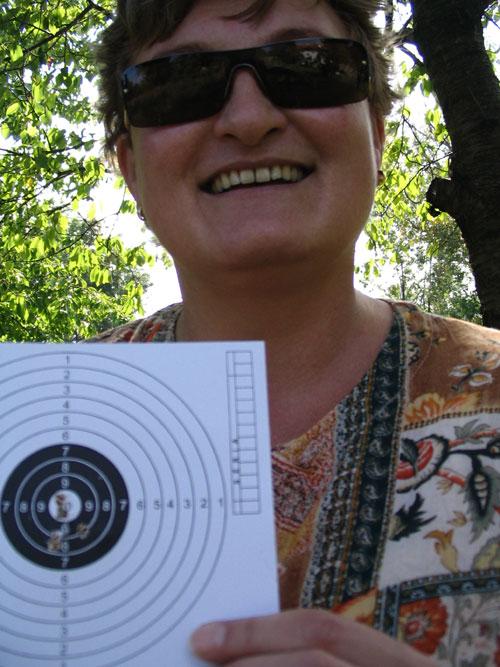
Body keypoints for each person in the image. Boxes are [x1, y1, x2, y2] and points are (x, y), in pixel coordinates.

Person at [93, 0, 500, 664]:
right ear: (131, 166)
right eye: (181, 80)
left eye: (307, 64)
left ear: (375, 134)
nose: (250, 119)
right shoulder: (25, 427)